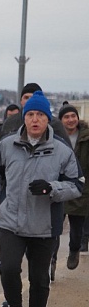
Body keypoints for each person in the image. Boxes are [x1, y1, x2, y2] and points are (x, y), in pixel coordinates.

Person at [0, 91, 82, 307]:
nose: (35, 120)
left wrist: (51, 188)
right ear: (24, 118)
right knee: (7, 269)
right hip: (11, 222)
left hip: (45, 225)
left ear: (47, 119)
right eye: (30, 115)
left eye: (40, 115)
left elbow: (78, 185)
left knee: (39, 279)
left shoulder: (61, 150)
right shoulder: (7, 145)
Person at [57, 103, 89, 270]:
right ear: (61, 120)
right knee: (54, 229)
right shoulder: (55, 137)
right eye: (66, 117)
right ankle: (52, 260)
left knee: (77, 230)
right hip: (59, 188)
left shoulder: (86, 137)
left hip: (81, 189)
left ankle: (74, 250)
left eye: (73, 116)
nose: (70, 120)